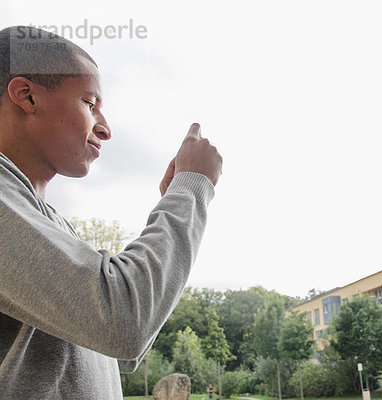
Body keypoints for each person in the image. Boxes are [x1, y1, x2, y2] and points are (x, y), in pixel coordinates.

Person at [0, 26, 222, 399]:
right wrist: (191, 189)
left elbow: (120, 347)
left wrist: (172, 207)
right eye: (90, 103)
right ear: (27, 95)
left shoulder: (46, 220)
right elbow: (124, 321)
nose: (104, 129)